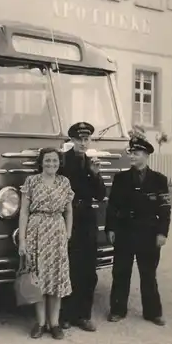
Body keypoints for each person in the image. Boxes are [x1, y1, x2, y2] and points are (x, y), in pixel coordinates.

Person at [105, 136, 171, 326]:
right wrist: (111, 228)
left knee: (148, 274)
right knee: (120, 272)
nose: (132, 156)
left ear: (147, 155)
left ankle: (153, 313)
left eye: (137, 153)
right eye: (131, 153)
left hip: (148, 234)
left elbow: (165, 209)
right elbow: (112, 207)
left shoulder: (159, 180)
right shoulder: (121, 178)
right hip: (125, 232)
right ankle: (117, 310)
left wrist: (162, 233)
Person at [18, 147, 74, 340]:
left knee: (57, 279)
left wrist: (67, 233)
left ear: (60, 163)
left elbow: (68, 211)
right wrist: (22, 240)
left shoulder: (64, 182)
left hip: (57, 232)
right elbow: (24, 212)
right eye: (48, 160)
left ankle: (55, 323)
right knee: (38, 279)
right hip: (36, 232)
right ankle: (40, 323)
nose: (51, 164)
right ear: (41, 162)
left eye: (55, 160)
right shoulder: (31, 182)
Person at [59, 122, 107, 332]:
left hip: (87, 219)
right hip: (68, 218)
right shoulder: (62, 162)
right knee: (68, 267)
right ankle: (66, 315)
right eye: (79, 139)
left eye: (86, 139)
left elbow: (100, 194)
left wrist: (96, 174)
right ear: (72, 140)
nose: (82, 143)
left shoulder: (92, 163)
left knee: (88, 270)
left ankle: (84, 315)